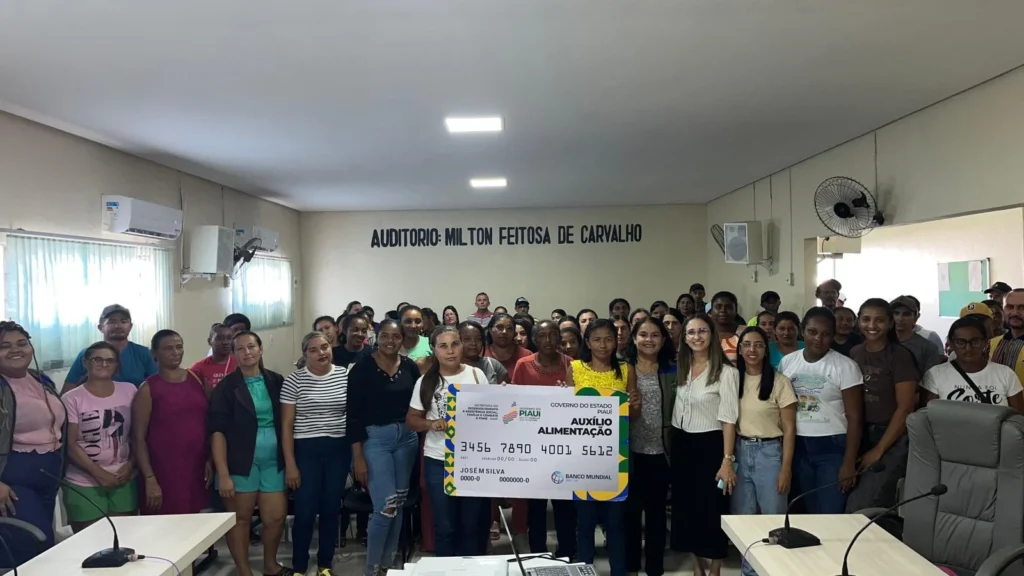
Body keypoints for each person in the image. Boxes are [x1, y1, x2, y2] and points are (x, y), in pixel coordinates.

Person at [208, 331, 294, 576]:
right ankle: (244, 571)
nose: (247, 352)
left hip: (274, 459)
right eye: (240, 348)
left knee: (275, 517)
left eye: (251, 347)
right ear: (234, 354)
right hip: (239, 461)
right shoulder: (226, 387)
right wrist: (223, 474)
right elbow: (217, 432)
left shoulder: (276, 380)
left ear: (260, 349)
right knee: (241, 519)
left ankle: (270, 565)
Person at [407, 327, 489, 557]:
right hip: (439, 459)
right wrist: (431, 423)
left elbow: (493, 410)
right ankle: (447, 568)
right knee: (445, 526)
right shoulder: (426, 381)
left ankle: (470, 569)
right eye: (443, 346)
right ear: (434, 350)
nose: (450, 351)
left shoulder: (476, 375)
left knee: (471, 526)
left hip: (473, 459)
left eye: (455, 344)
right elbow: (411, 420)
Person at [566, 319, 639, 576]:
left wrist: (635, 404)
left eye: (608, 339)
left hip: (616, 456)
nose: (603, 345)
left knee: (615, 522)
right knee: (585, 522)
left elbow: (634, 415)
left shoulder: (627, 369)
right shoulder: (575, 368)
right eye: (597, 339)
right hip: (582, 457)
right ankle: (585, 569)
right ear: (587, 342)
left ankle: (618, 571)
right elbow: (565, 412)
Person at [348, 319, 421, 576]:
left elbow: (420, 403)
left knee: (398, 504)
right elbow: (353, 416)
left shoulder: (410, 367)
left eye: (396, 336)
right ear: (376, 338)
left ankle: (387, 566)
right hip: (375, 440)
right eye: (385, 336)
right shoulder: (362, 368)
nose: (391, 341)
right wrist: (358, 456)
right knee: (385, 506)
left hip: (407, 439)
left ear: (403, 339)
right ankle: (371, 570)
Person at [670, 315, 739, 576]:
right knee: (685, 507)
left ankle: (716, 568)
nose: (696, 337)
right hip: (682, 443)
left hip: (711, 446)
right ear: (684, 337)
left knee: (712, 508)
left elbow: (729, 419)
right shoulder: (682, 367)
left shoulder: (727, 372)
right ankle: (697, 566)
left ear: (712, 335)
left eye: (702, 331)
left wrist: (727, 460)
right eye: (691, 332)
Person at [779, 308, 864, 514]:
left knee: (829, 511)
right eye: (812, 332)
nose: (818, 339)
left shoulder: (845, 366)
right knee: (805, 510)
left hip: (832, 446)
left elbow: (855, 416)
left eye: (826, 334)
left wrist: (849, 461)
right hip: (797, 445)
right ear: (803, 331)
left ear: (833, 335)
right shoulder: (788, 362)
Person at [281, 332, 351, 576]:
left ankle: (325, 564)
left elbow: (353, 414)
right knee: (305, 511)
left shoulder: (344, 376)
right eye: (314, 350)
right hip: (306, 450)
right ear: (305, 355)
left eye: (325, 347)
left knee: (331, 508)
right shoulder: (294, 381)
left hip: (338, 449)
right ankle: (299, 566)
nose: (321, 353)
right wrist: (291, 463)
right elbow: (286, 425)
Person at [0, 321, 67, 569]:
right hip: (14, 476)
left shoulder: (42, 379)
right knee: (31, 543)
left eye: (21, 343)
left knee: (43, 545)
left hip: (49, 472)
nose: (15, 350)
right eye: (4, 346)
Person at [732, 326, 796, 576]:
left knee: (773, 519)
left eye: (758, 345)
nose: (752, 350)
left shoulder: (779, 382)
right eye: (747, 344)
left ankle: (774, 570)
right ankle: (748, 572)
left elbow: (789, 429)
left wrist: (785, 469)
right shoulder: (733, 379)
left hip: (769, 453)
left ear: (766, 349)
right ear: (739, 349)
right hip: (739, 451)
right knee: (743, 519)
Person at [846, 299, 919, 512]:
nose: (872, 325)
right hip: (859, 435)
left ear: (890, 323)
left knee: (862, 505)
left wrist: (879, 449)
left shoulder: (900, 356)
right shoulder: (855, 353)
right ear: (858, 321)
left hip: (890, 438)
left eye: (879, 320)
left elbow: (905, 408)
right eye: (866, 319)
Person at [511, 321, 577, 559]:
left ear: (560, 337)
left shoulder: (572, 365)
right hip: (533, 447)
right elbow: (514, 402)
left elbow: (580, 405)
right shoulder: (523, 365)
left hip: (563, 446)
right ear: (534, 339)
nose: (548, 340)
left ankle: (567, 551)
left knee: (564, 505)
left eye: (553, 335)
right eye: (542, 335)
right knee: (536, 507)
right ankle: (538, 552)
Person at [61, 341, 138, 532]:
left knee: (123, 537)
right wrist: (99, 474)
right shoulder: (72, 398)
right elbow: (71, 444)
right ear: (85, 362)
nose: (104, 364)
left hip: (123, 478)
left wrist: (130, 466)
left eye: (110, 360)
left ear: (117, 365)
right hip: (84, 482)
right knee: (92, 541)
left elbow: (138, 434)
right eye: (97, 359)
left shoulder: (130, 390)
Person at [134, 330, 210, 517]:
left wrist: (210, 459)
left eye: (179, 347)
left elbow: (210, 423)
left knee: (197, 523)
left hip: (196, 466)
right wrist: (149, 477)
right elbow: (138, 438)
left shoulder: (198, 379)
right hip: (163, 469)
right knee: (167, 523)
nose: (176, 352)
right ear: (155, 353)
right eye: (168, 348)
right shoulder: (148, 388)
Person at [624, 317, 677, 576]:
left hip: (661, 453)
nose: (649, 340)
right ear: (634, 339)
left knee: (656, 516)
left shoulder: (673, 370)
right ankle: (631, 567)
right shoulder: (623, 369)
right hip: (630, 453)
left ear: (663, 340)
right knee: (630, 516)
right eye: (643, 334)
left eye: (655, 335)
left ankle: (655, 568)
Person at [922, 316, 1024, 410]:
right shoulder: (936, 374)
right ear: (951, 344)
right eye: (960, 342)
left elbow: (1017, 418)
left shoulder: (1006, 374)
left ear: (985, 342)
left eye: (975, 342)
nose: (968, 348)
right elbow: (928, 415)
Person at [63, 304, 157, 392]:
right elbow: (68, 391)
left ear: (130, 326)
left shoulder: (143, 353)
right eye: (112, 322)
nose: (118, 326)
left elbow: (156, 388)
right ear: (101, 327)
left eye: (123, 321)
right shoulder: (86, 354)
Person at [891, 296, 945, 374]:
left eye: (906, 314)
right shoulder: (881, 343)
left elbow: (932, 378)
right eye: (896, 313)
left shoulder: (927, 347)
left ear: (916, 317)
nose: (900, 318)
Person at [991, 288, 1024, 386]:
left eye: (1022, 307)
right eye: (1009, 307)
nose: (1015, 312)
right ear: (1003, 309)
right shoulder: (991, 344)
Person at [191, 323, 237, 388]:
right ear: (209, 341)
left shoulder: (239, 364)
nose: (225, 342)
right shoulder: (198, 368)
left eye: (229, 338)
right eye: (219, 338)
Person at [710, 291, 741, 360]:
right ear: (711, 311)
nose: (723, 310)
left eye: (728, 307)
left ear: (736, 311)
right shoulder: (703, 334)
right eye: (718, 307)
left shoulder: (747, 333)